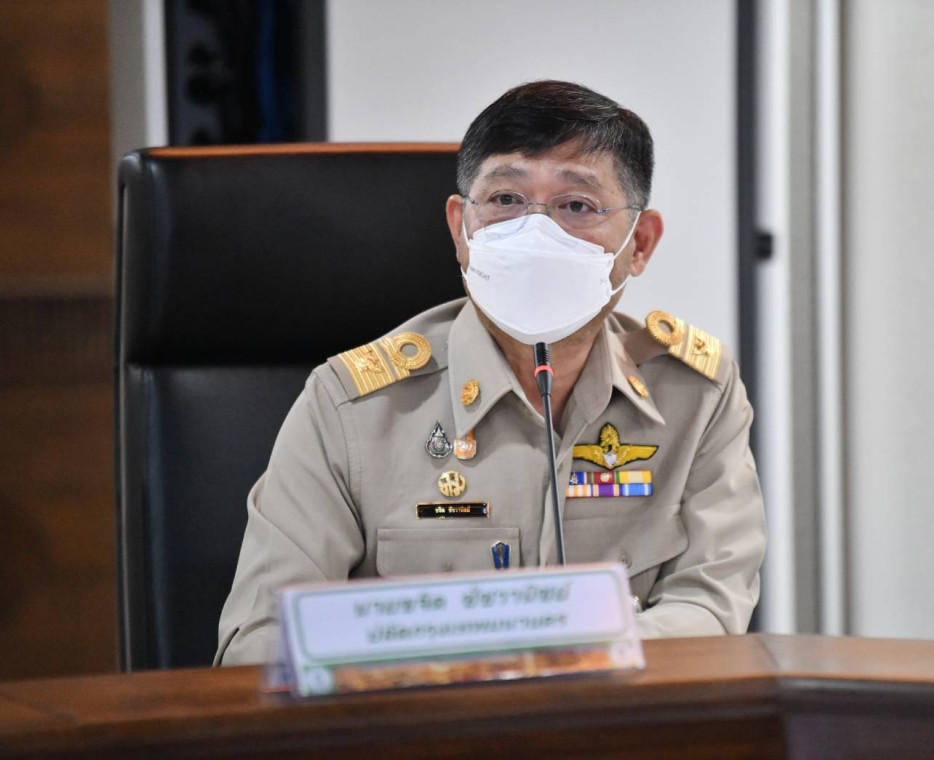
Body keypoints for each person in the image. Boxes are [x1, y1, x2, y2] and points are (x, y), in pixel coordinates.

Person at [216, 80, 766, 665]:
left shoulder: (695, 396)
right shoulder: (349, 408)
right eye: (506, 199)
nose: (535, 233)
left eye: (576, 206)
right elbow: (258, 646)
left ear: (640, 244)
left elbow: (711, 608)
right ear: (461, 228)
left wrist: (566, 663)